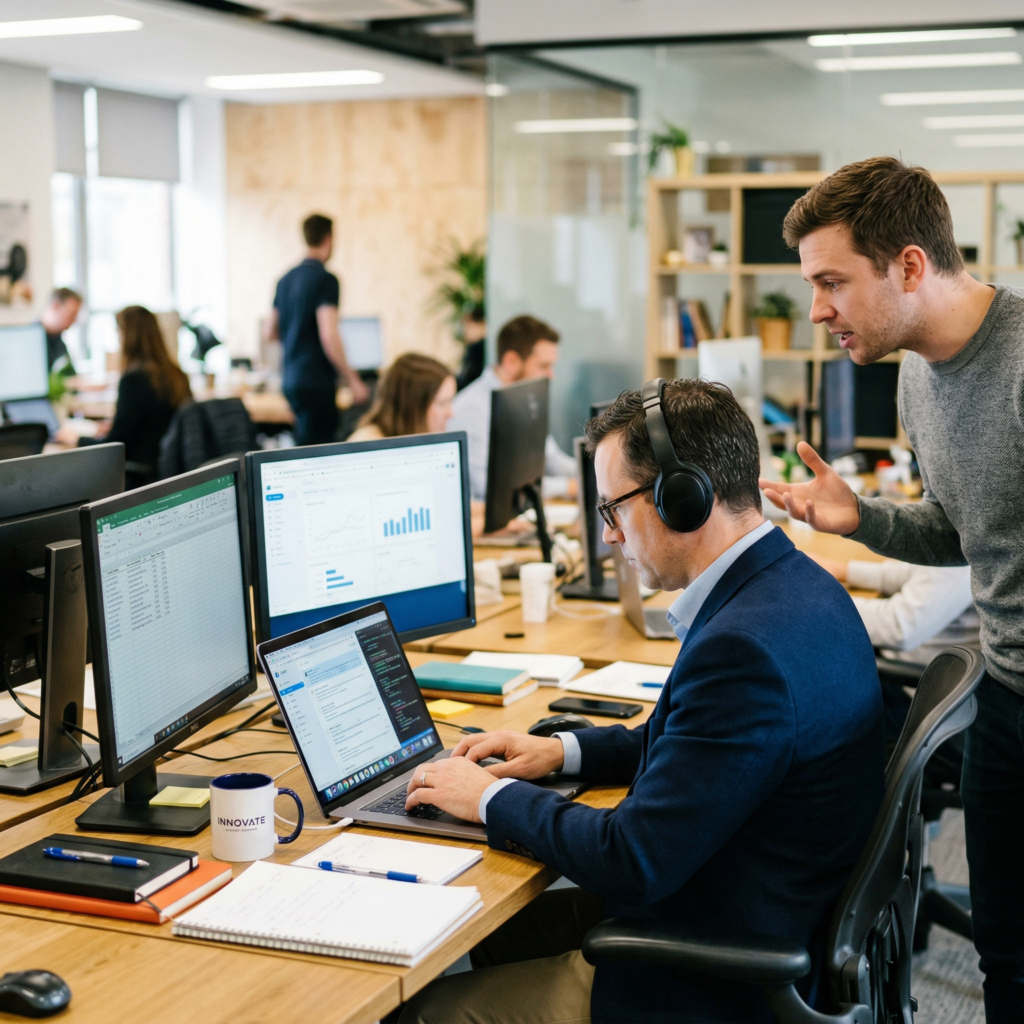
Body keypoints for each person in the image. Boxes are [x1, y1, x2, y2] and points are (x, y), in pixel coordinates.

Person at [397, 378, 884, 1024]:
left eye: (613, 511)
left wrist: (486, 798)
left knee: (427, 1007)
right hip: (759, 900)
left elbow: (633, 859)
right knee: (488, 933)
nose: (610, 539)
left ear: (681, 498)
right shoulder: (794, 587)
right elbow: (695, 746)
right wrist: (560, 750)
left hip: (714, 977)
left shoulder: (743, 652)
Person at [762, 156, 1024, 1022]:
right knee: (1008, 962)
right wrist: (862, 518)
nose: (818, 310)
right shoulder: (917, 374)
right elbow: (968, 532)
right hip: (1009, 697)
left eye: (832, 282)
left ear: (909, 266)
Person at [57, 305, 191, 490]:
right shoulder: (177, 375)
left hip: (141, 476)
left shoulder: (134, 379)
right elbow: (154, 424)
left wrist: (76, 439)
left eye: (119, 332)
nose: (118, 340)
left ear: (129, 336)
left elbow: (116, 444)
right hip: (171, 470)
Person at [263, 213, 369, 447]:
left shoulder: (285, 280)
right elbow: (329, 335)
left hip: (290, 379)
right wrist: (353, 380)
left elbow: (269, 331)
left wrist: (293, 338)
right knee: (318, 453)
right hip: (315, 381)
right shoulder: (326, 280)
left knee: (303, 445)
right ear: (328, 239)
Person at [447, 314, 576, 502]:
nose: (551, 375)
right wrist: (567, 487)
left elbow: (550, 457)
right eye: (544, 366)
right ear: (511, 362)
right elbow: (488, 485)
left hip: (525, 512)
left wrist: (593, 472)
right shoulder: (470, 409)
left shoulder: (527, 399)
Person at [810, 557, 978, 667]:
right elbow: (910, 573)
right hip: (903, 664)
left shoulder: (965, 560)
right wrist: (841, 570)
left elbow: (898, 628)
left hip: (916, 691)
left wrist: (816, 600)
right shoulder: (961, 539)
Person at [347, 353, 456, 442]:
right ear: (413, 406)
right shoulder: (368, 445)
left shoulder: (423, 439)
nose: (451, 413)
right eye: (442, 403)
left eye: (450, 401)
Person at [39, 286, 82, 375]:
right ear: (55, 306)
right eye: (71, 315)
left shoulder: (59, 342)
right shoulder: (29, 341)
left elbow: (70, 375)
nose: (74, 321)